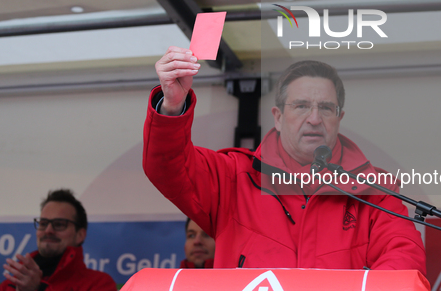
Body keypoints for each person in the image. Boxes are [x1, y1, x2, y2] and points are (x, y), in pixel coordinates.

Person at [143, 46, 426, 272]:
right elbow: (168, 168)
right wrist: (172, 106)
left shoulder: (374, 191)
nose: (314, 119)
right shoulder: (234, 177)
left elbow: (404, 259)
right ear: (278, 118)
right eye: (301, 106)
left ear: (339, 119)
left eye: (326, 108)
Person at [0, 189, 116, 291]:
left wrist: (39, 289)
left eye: (59, 224)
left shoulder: (99, 284)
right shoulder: (9, 285)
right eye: (43, 223)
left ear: (80, 235)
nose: (48, 230)